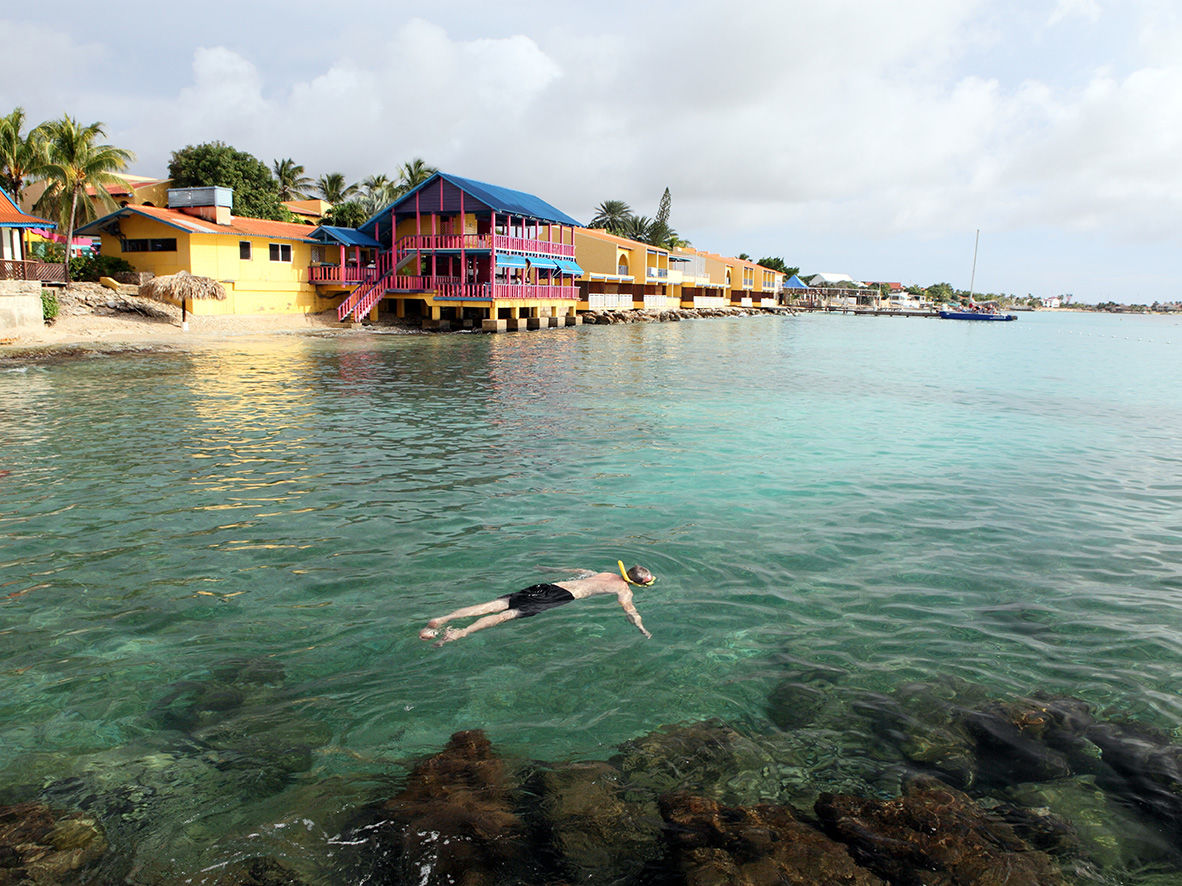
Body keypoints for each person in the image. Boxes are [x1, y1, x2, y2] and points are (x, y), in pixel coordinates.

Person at [419, 561, 655, 645]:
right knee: (507, 615)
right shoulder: (623, 589)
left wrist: (547, 569)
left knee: (498, 603)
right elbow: (630, 611)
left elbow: (577, 570)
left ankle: (444, 618)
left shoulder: (603, 574)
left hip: (549, 586)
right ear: (637, 583)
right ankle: (462, 632)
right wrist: (641, 628)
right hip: (557, 597)